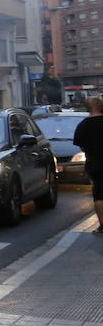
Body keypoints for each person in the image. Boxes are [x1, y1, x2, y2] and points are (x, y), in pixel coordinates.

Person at [73, 97, 103, 235]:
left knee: (99, 195)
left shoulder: (83, 125)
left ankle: (102, 226)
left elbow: (82, 146)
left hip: (95, 165)